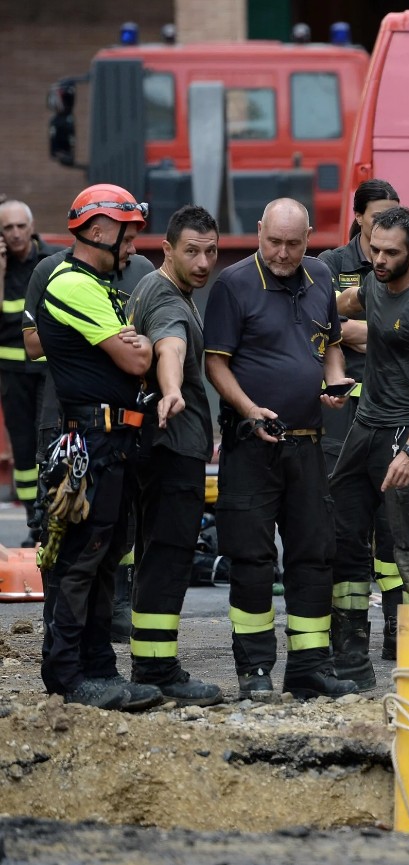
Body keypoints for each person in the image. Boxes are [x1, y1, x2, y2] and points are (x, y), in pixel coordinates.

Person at [203, 198, 358, 701]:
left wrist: (336, 382)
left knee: (314, 554)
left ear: (309, 237)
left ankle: (309, 667)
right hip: (253, 446)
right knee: (251, 558)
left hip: (309, 445)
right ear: (259, 232)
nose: (284, 253)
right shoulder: (235, 284)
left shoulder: (319, 278)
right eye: (274, 242)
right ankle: (254, 670)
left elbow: (330, 342)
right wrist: (249, 409)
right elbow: (215, 364)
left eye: (294, 243)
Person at [36, 183, 163, 711]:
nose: (133, 249)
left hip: (113, 442)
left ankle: (98, 670)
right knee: (79, 560)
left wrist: (140, 342)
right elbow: (137, 361)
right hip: (92, 439)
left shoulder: (99, 284)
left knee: (106, 556)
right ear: (97, 231)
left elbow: (134, 350)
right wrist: (146, 345)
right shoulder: (71, 283)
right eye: (128, 237)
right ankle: (67, 676)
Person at [330, 206, 409, 689]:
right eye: (374, 250)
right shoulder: (373, 284)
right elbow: (340, 305)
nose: (379, 260)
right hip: (364, 429)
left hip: (405, 433)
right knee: (345, 541)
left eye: (390, 253)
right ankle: (351, 665)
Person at [24, 246, 156, 644]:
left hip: (120, 419)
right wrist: (101, 334)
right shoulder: (53, 271)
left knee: (118, 522)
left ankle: (114, 607)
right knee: (64, 519)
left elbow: (149, 340)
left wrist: (120, 339)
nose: (131, 242)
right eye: (126, 232)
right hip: (65, 412)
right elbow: (32, 343)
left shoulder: (144, 272)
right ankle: (60, 627)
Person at [125, 205, 223, 706]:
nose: (204, 262)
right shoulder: (166, 297)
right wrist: (172, 390)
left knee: (155, 554)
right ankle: (156, 668)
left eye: (210, 251)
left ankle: (151, 661)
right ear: (167, 250)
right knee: (168, 556)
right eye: (192, 251)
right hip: (171, 447)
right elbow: (171, 346)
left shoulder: (154, 286)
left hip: (162, 445)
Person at [318, 179, 403, 657]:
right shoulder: (330, 266)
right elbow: (321, 328)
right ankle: (348, 639)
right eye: (377, 218)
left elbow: (405, 331)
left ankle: (396, 632)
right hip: (341, 414)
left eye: (394, 217)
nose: (385, 227)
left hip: (391, 414)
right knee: (344, 526)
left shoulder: (405, 266)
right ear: (357, 218)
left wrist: (360, 331)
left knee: (395, 526)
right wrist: (363, 330)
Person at [0, 201, 65, 544]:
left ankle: (51, 518)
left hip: (46, 372)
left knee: (50, 445)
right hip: (11, 375)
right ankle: (32, 522)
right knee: (23, 451)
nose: (14, 234)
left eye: (19, 226)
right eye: (7, 228)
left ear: (31, 225)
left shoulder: (53, 260)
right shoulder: (2, 267)